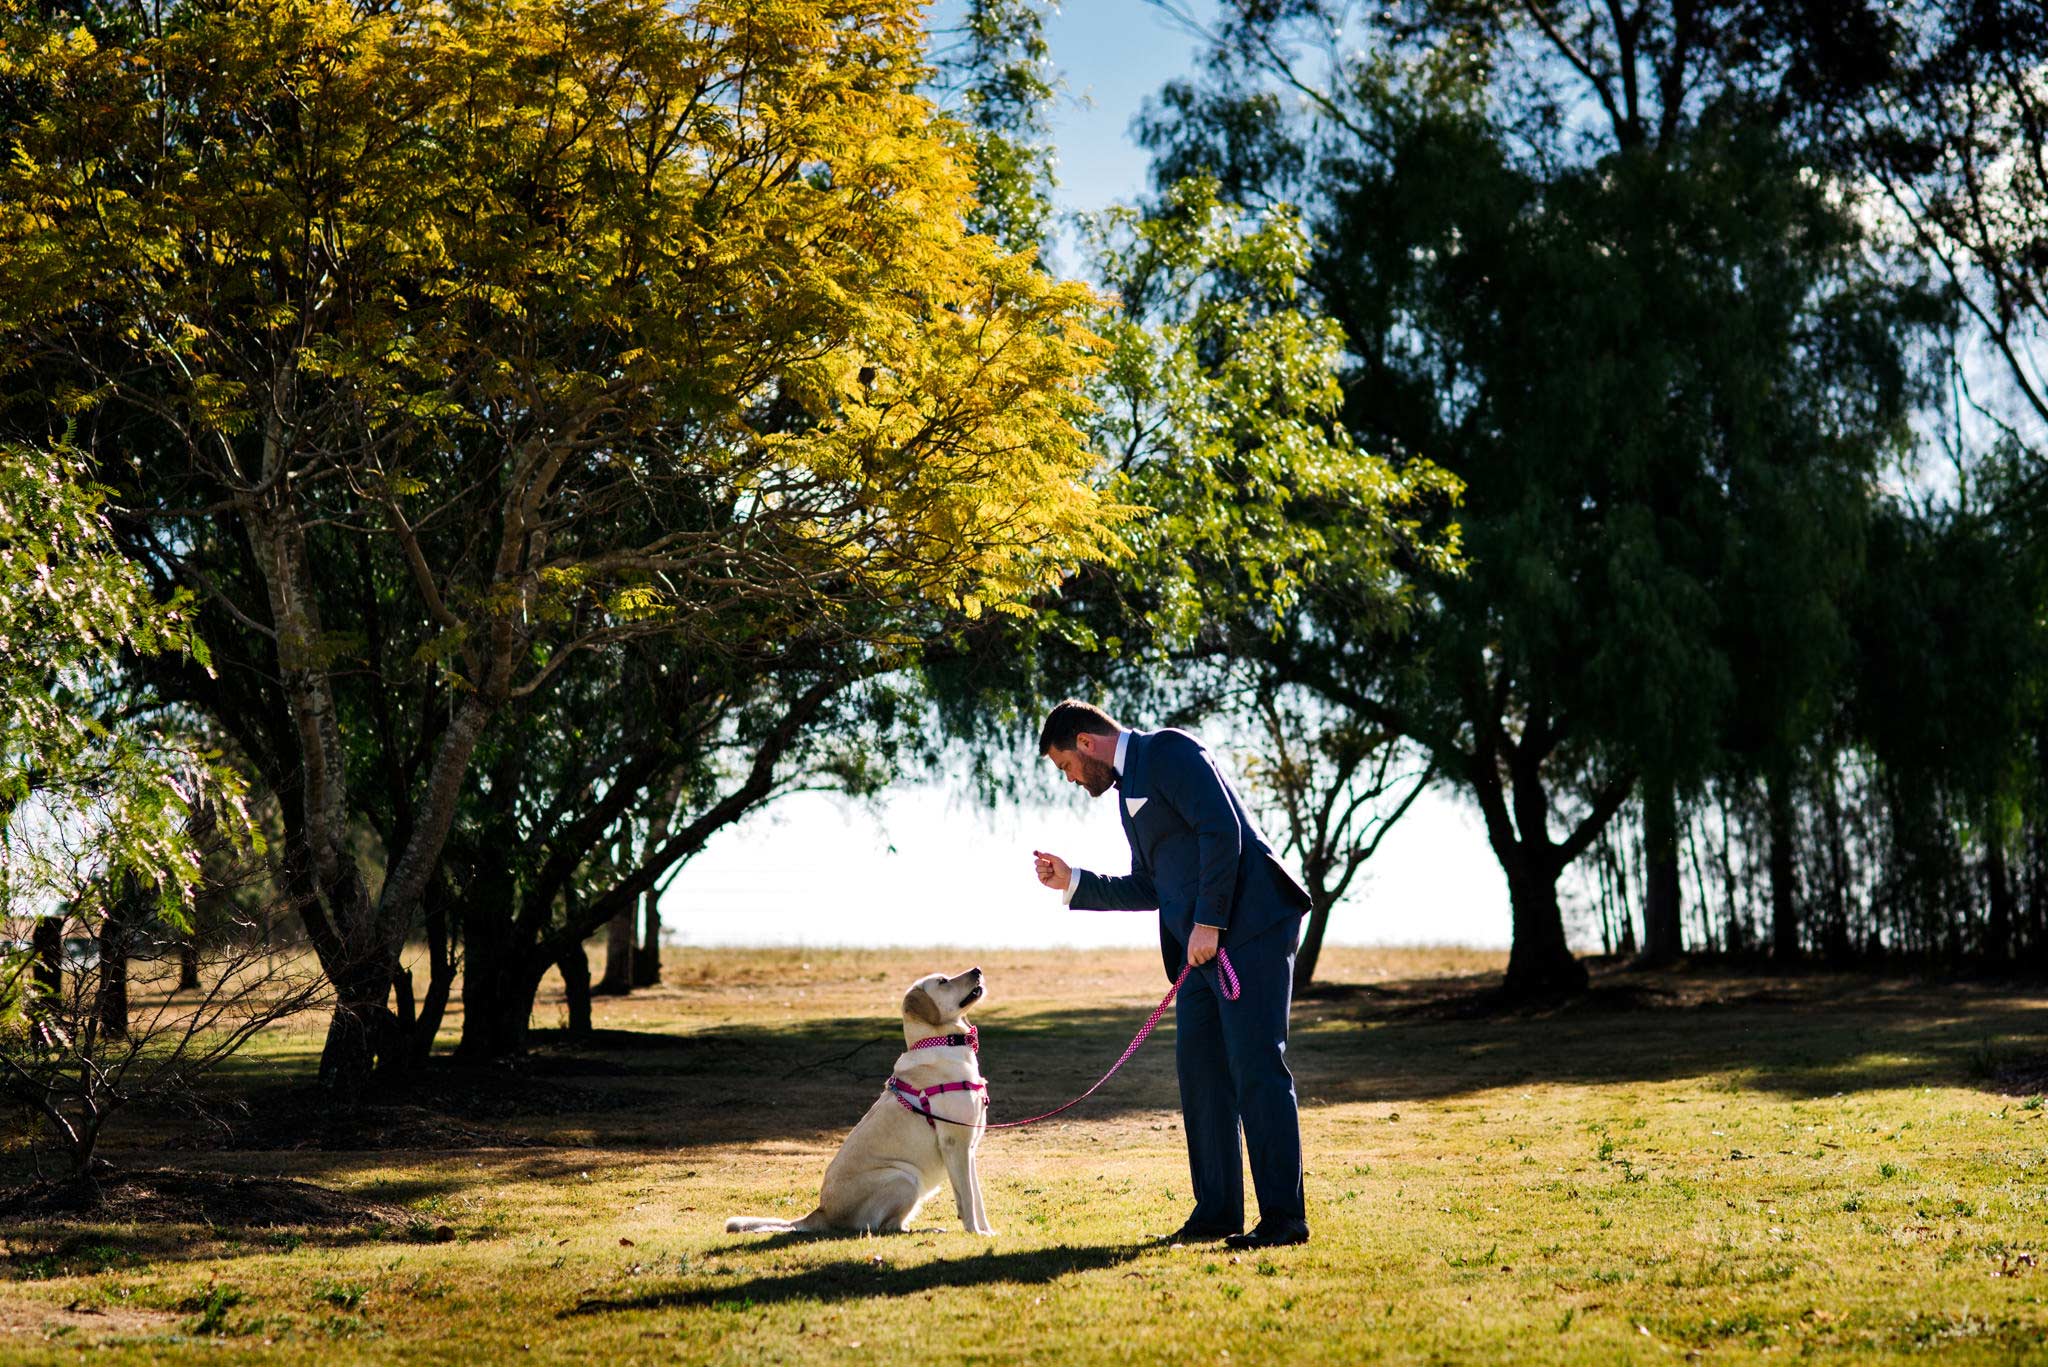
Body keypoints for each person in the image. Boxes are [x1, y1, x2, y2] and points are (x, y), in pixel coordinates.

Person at [1031, 699, 1313, 1249]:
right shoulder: (1129, 791)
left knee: (1256, 1069)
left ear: (1085, 743)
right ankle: (1217, 1213)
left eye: (1064, 765)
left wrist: (1208, 920)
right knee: (1201, 1077)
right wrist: (1074, 882)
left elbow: (1222, 829)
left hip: (1249, 931)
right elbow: (1150, 886)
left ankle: (1284, 1220)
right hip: (1200, 955)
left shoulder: (1168, 751)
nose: (1069, 778)